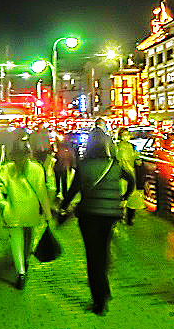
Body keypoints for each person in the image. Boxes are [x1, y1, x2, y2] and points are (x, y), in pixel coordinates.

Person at [58, 128, 134, 315]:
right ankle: (105, 290)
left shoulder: (84, 166)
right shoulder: (114, 165)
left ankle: (99, 301)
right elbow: (132, 180)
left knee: (93, 258)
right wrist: (123, 197)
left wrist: (63, 207)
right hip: (109, 216)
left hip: (89, 216)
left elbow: (73, 190)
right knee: (103, 250)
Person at [0, 137, 53, 289]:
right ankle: (25, 260)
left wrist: (2, 202)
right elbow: (42, 193)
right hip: (31, 211)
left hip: (13, 211)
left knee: (16, 241)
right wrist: (47, 214)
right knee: (29, 237)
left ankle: (21, 273)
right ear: (28, 153)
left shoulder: (6, 169)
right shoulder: (37, 169)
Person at [116, 127, 144, 225]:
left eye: (127, 134)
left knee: (132, 196)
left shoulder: (132, 146)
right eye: (124, 134)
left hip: (131, 173)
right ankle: (120, 216)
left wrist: (138, 160)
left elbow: (136, 157)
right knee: (123, 194)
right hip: (121, 174)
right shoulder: (116, 146)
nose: (126, 136)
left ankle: (130, 218)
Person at [53, 131, 77, 203]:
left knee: (60, 179)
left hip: (60, 166)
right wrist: (72, 165)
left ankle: (60, 192)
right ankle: (63, 193)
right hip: (63, 166)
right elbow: (71, 156)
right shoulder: (67, 147)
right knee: (63, 180)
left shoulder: (59, 146)